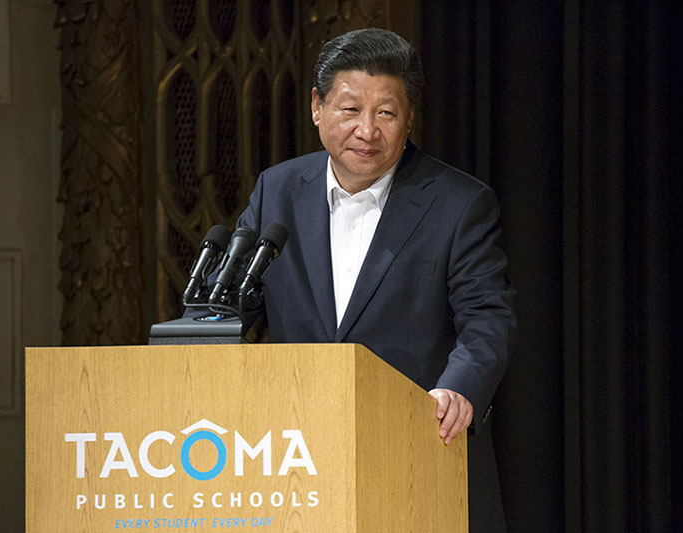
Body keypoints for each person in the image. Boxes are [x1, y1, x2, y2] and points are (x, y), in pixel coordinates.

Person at [213, 28, 515, 531]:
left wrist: (458, 390)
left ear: (410, 117)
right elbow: (234, 308)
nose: (367, 131)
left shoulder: (460, 203)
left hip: (419, 456)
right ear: (317, 106)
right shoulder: (278, 191)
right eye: (351, 109)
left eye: (386, 113)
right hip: (297, 464)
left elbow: (488, 318)